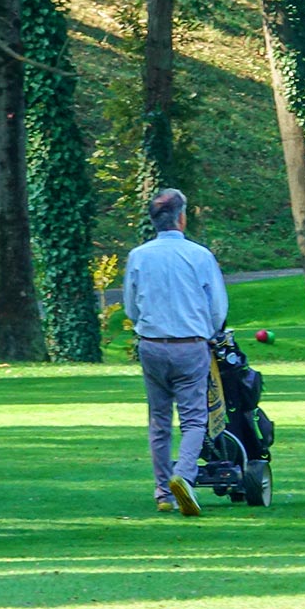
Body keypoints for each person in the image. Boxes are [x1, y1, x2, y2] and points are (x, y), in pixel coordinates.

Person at [123, 188, 229, 517]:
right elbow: (216, 307)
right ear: (181, 218)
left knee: (158, 421)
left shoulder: (138, 256)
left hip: (152, 345)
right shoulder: (199, 256)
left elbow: (131, 307)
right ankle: (183, 476)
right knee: (195, 420)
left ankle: (162, 491)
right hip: (190, 345)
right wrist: (211, 334)